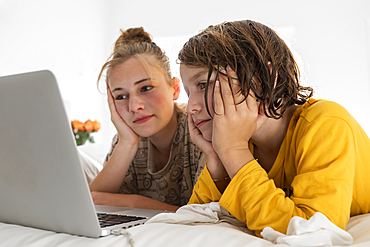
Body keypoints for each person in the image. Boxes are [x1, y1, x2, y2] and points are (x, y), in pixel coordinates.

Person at [178, 20, 370, 236]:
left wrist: (234, 151)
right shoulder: (237, 141)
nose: (190, 107)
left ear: (260, 79)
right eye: (188, 92)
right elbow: (192, 222)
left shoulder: (327, 124)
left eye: (203, 85)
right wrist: (217, 161)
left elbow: (313, 232)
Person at [89, 27, 205, 212]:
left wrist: (134, 204)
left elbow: (213, 213)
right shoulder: (125, 141)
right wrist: (127, 143)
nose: (134, 106)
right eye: (120, 96)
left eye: (146, 88)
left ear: (174, 89)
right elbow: (92, 205)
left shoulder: (200, 130)